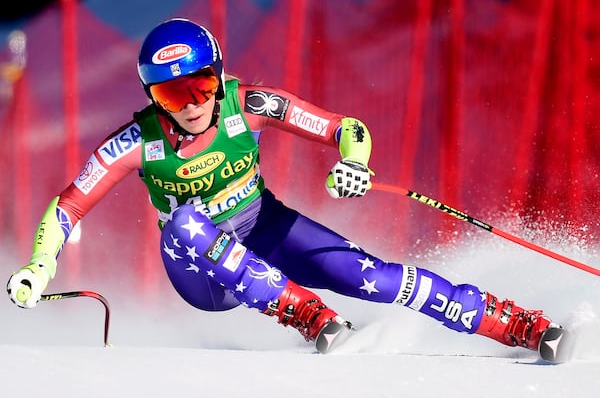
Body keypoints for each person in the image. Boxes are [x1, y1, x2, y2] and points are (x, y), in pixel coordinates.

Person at [6, 18, 567, 359]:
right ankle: (303, 312)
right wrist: (39, 264)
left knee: (372, 277)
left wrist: (355, 163)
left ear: (219, 76)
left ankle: (515, 324)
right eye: (175, 97)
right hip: (202, 275)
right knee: (184, 224)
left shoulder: (247, 103)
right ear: (153, 98)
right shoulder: (136, 141)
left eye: (202, 86)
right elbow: (68, 206)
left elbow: (347, 129)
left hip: (265, 230)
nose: (195, 105)